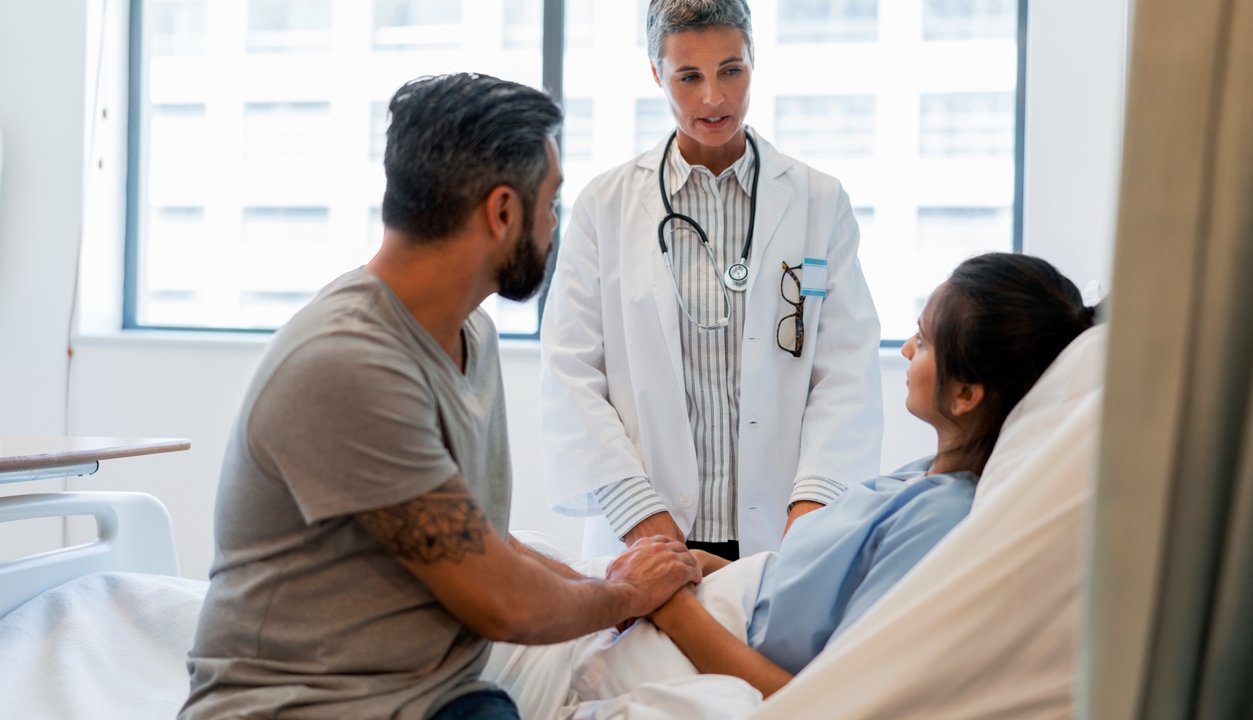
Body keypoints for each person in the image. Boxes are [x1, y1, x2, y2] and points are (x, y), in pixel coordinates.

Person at [180, 73, 700, 720]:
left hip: (435, 700)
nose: (553, 224)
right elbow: (502, 604)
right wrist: (624, 597)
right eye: (552, 203)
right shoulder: (347, 363)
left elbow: (477, 542)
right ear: (503, 211)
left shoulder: (469, 336)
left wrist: (615, 580)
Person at [646, 252, 1098, 698]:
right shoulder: (920, 477)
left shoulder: (941, 518)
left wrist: (671, 607)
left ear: (964, 393)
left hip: (702, 640)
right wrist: (709, 568)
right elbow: (806, 589)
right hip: (708, 604)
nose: (904, 349)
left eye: (922, 342)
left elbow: (822, 695)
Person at [540, 0, 883, 562]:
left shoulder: (819, 202)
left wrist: (814, 508)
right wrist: (637, 512)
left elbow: (847, 371)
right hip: (647, 529)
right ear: (657, 73)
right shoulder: (606, 206)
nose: (714, 99)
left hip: (782, 527)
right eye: (689, 76)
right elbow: (570, 371)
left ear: (754, 61)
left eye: (731, 70)